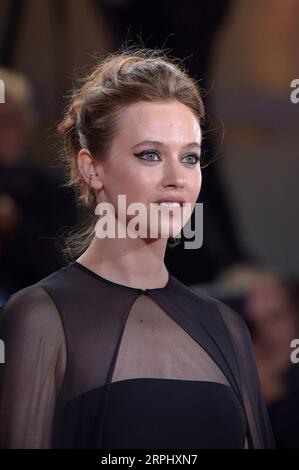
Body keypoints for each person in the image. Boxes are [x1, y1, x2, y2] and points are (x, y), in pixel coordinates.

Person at [0, 48, 275, 449]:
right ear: (91, 168)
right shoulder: (40, 318)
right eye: (150, 154)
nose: (176, 178)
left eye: (189, 157)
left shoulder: (226, 327)